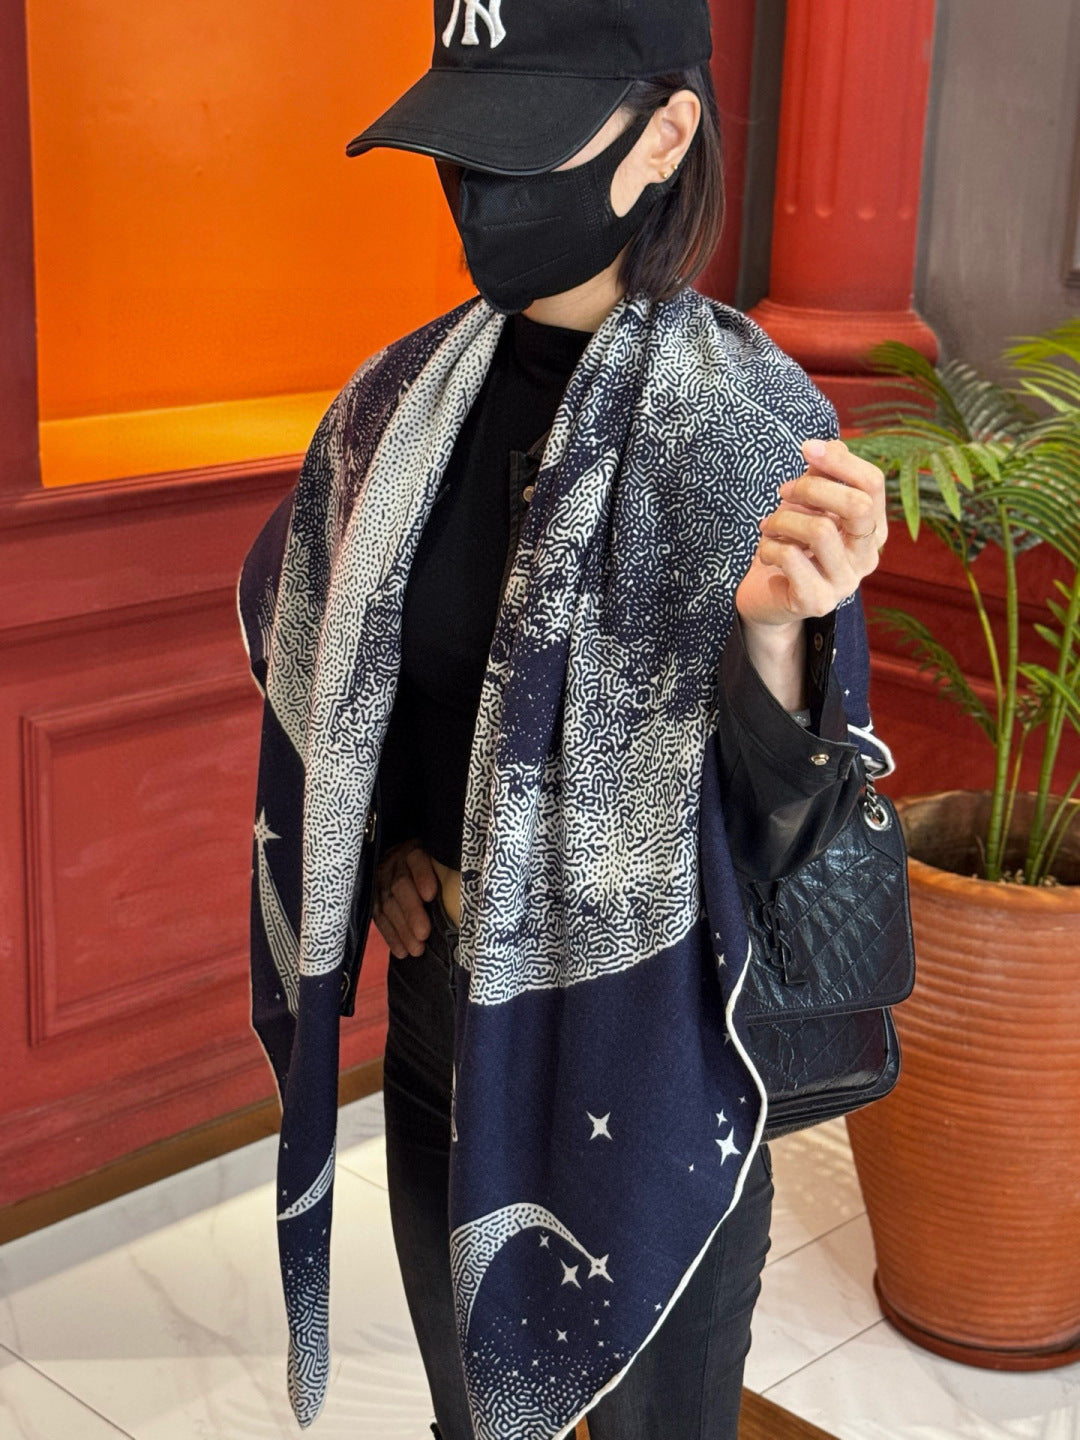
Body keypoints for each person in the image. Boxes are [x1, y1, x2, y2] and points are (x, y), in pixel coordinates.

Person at [238, 1, 890, 1435]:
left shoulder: (749, 427)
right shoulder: (392, 409)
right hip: (443, 1019)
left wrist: (777, 635)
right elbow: (342, 684)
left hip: (651, 1052)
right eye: (460, 148)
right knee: (476, 1414)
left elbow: (784, 835)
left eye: (522, 146)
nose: (480, 191)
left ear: (665, 136)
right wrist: (390, 847)